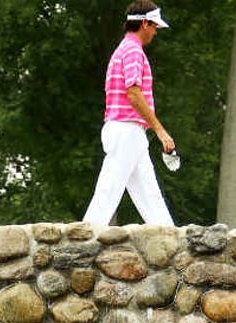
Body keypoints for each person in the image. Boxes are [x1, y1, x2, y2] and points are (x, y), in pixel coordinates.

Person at [82, 1, 176, 227]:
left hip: (126, 130)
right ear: (144, 23)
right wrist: (160, 131)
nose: (155, 32)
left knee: (150, 194)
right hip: (126, 129)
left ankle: (169, 236)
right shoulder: (133, 51)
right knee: (108, 192)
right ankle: (81, 241)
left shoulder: (123, 49)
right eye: (154, 26)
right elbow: (133, 93)